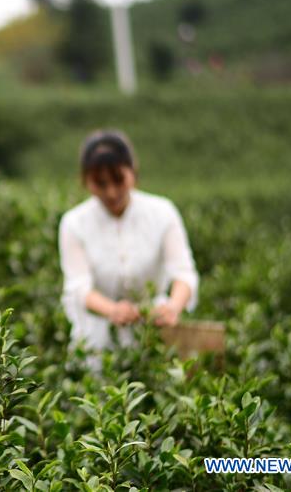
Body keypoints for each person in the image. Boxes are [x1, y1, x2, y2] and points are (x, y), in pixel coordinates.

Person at [58, 130, 198, 352]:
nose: (111, 192)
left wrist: (173, 307)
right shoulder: (74, 223)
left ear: (133, 172)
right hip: (97, 339)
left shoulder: (163, 213)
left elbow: (183, 274)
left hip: (153, 333)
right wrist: (111, 310)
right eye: (100, 184)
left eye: (118, 180)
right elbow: (78, 287)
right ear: (85, 181)